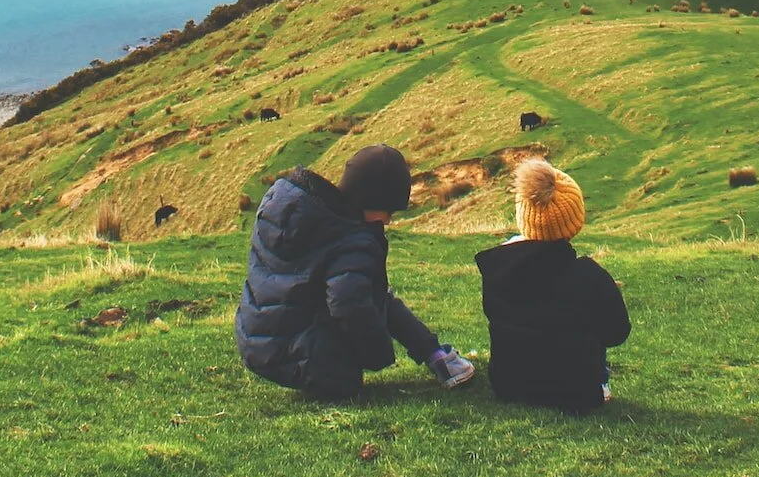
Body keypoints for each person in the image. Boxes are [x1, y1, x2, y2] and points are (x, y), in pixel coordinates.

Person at [235, 143, 477, 398]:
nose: (388, 220)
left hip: (256, 344)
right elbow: (349, 303)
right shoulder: (351, 239)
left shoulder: (294, 212)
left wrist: (427, 347)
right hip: (313, 363)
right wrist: (378, 354)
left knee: (365, 289)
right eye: (388, 210)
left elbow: (369, 293)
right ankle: (438, 359)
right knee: (358, 298)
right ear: (369, 200)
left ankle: (436, 354)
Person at [475, 158, 629, 411]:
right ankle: (599, 385)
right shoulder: (590, 276)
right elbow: (617, 332)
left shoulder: (495, 267)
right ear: (572, 223)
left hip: (508, 385)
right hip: (575, 394)